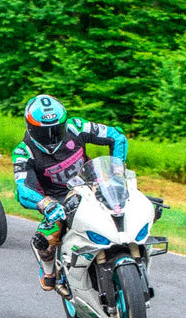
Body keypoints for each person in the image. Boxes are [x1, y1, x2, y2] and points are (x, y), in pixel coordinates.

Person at [12, 94, 128, 291]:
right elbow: (22, 189)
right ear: (30, 128)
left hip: (91, 184)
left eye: (56, 130)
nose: (51, 137)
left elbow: (118, 137)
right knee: (45, 240)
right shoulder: (24, 151)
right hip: (57, 199)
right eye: (44, 132)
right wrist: (44, 204)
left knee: (127, 203)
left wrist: (116, 174)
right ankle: (48, 269)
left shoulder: (77, 127)